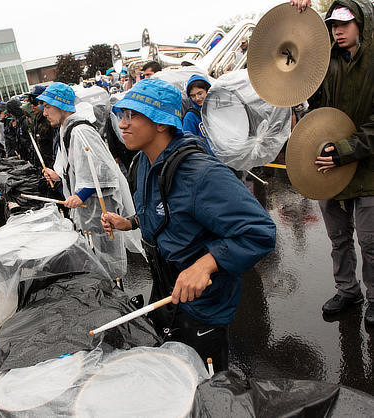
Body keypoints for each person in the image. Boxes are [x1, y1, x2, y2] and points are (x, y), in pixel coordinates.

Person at [100, 79, 276, 371]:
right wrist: (129, 222)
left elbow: (260, 231)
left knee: (206, 385)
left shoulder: (200, 173)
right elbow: (162, 213)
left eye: (133, 115)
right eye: (121, 115)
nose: (122, 124)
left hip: (204, 307)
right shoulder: (144, 161)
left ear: (161, 122)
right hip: (167, 293)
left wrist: (205, 264)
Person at [291, 0, 374, 325]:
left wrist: (342, 151)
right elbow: (313, 102)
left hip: (366, 168)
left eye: (345, 24)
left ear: (362, 24)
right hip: (327, 165)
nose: (338, 31)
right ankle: (347, 289)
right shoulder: (326, 62)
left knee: (370, 241)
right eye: (333, 25)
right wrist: (300, 17)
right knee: (339, 238)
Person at [38, 82, 132, 280]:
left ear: (61, 105)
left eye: (47, 106)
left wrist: (80, 195)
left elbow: (104, 170)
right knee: (95, 253)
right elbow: (77, 167)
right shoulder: (65, 128)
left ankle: (115, 293)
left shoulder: (80, 130)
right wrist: (57, 175)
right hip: (89, 209)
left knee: (106, 255)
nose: (44, 113)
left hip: (97, 207)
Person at [25, 85, 55, 168]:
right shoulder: (38, 119)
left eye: (35, 102)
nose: (32, 105)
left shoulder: (50, 121)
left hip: (53, 168)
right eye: (30, 102)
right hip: (43, 167)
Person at [182, 74, 211, 143]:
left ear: (207, 91)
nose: (197, 98)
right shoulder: (190, 117)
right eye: (193, 96)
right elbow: (187, 142)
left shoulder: (217, 110)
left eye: (200, 93)